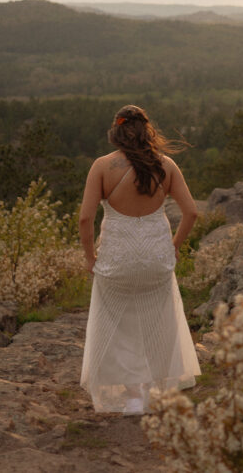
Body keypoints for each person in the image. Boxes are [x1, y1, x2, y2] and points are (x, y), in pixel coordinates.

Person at [78, 104, 200, 415]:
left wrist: (90, 257)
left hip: (117, 257)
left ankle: (132, 396)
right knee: (158, 321)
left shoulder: (102, 167)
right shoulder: (166, 165)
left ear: (116, 133)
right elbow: (191, 212)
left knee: (117, 325)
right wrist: (174, 245)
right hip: (156, 256)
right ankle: (151, 389)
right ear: (147, 132)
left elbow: (85, 219)